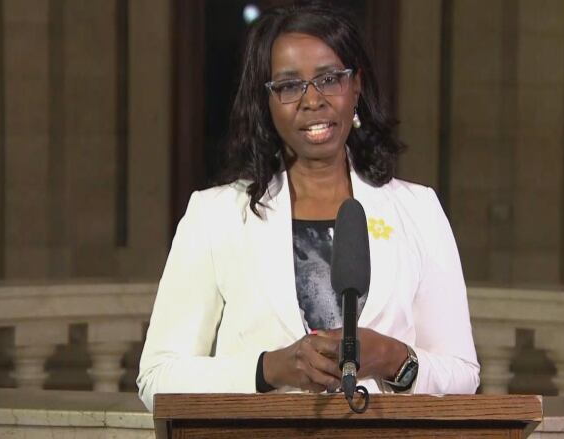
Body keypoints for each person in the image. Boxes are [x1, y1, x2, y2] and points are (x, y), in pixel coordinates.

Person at [137, 2, 479, 411]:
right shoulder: (215, 217)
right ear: (266, 101)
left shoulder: (419, 211)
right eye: (288, 85)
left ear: (357, 87)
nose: (312, 100)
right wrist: (271, 369)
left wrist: (393, 358)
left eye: (329, 79)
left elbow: (462, 374)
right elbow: (157, 378)